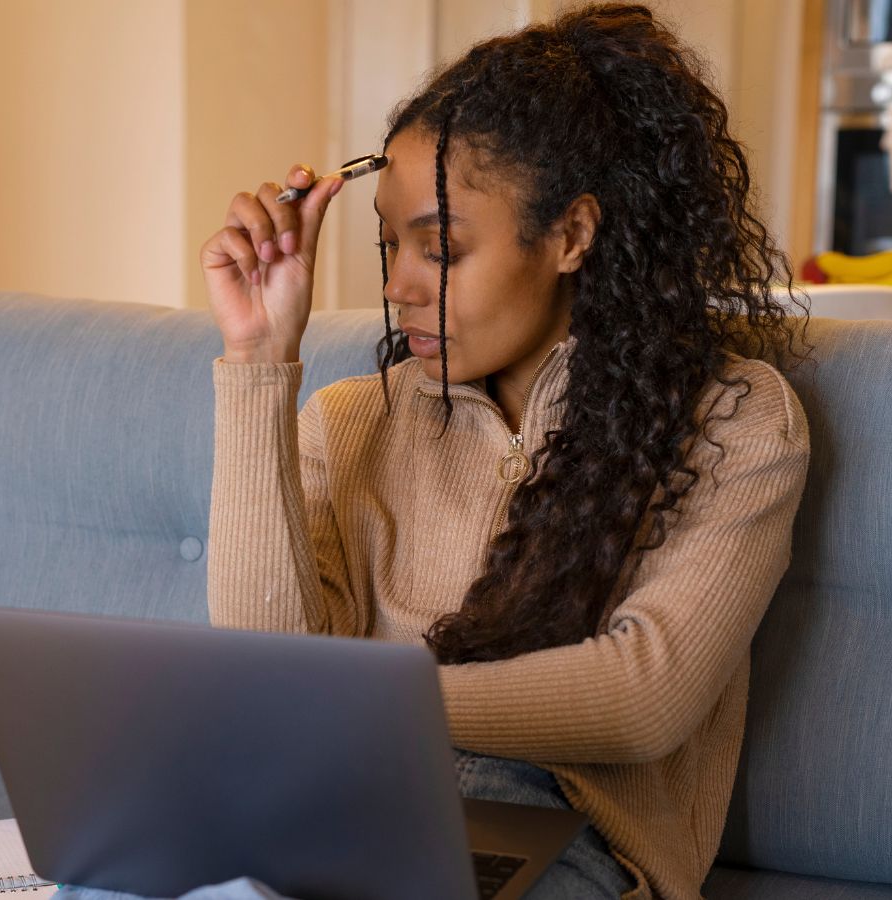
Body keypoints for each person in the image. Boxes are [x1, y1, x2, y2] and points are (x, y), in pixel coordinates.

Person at [164, 3, 817, 900]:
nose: (398, 287)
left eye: (441, 249)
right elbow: (265, 665)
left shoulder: (734, 419)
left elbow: (641, 698)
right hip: (334, 797)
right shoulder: (353, 419)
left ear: (571, 236)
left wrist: (358, 705)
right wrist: (258, 361)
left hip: (566, 833)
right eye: (391, 247)